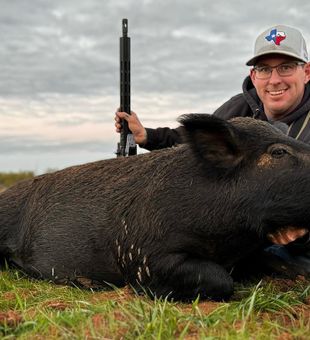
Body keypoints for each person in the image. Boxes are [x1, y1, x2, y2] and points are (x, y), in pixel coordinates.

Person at [115, 24, 310, 276]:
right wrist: (146, 135)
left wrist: (303, 234)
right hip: (244, 236)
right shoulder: (238, 109)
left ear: (306, 72)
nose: (274, 80)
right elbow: (193, 146)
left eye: (286, 67)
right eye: (264, 69)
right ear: (254, 76)